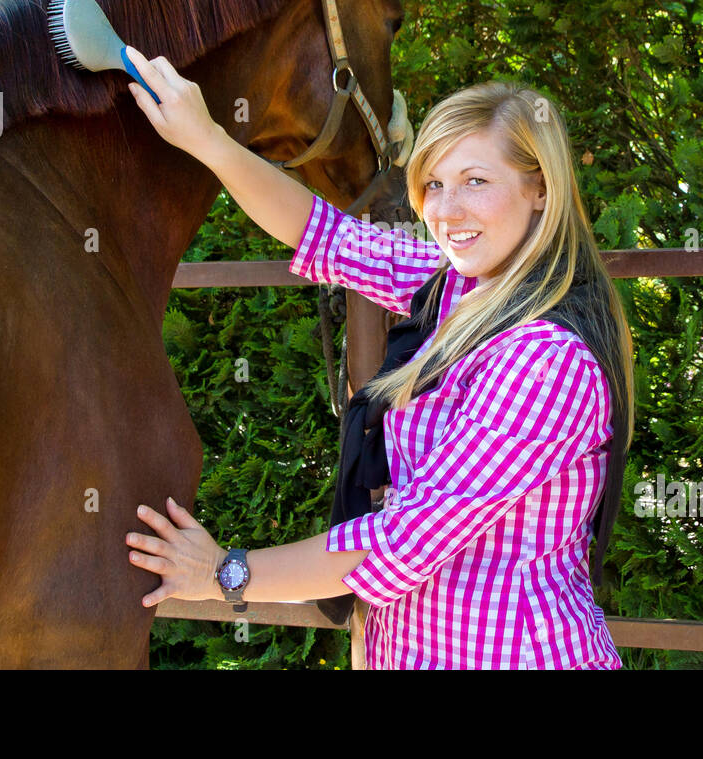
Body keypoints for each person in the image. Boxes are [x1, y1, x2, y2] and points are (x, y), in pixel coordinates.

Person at [121, 46, 635, 669]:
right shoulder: (456, 290)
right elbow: (325, 235)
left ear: (539, 191)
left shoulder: (548, 360)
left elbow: (396, 545)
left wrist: (225, 573)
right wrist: (206, 139)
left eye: (476, 181)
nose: (446, 212)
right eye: (435, 185)